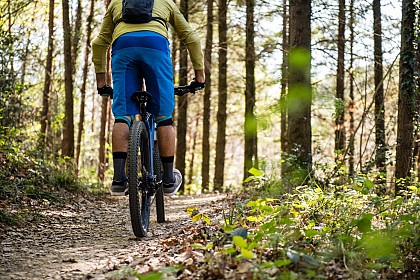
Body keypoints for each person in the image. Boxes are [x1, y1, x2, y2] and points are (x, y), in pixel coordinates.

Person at [92, 0, 205, 196]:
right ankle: (168, 180)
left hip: (124, 48)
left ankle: (119, 179)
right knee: (163, 117)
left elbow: (99, 42)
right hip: (155, 46)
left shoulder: (117, 2)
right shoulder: (166, 2)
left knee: (123, 115)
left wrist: (101, 82)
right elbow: (191, 38)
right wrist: (200, 76)